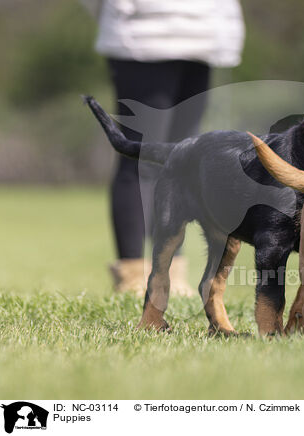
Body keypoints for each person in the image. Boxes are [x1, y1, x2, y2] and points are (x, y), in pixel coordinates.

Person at [83, 0, 245, 295]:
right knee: (139, 156)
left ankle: (171, 273)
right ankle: (133, 274)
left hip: (203, 35)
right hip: (142, 34)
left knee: (181, 161)